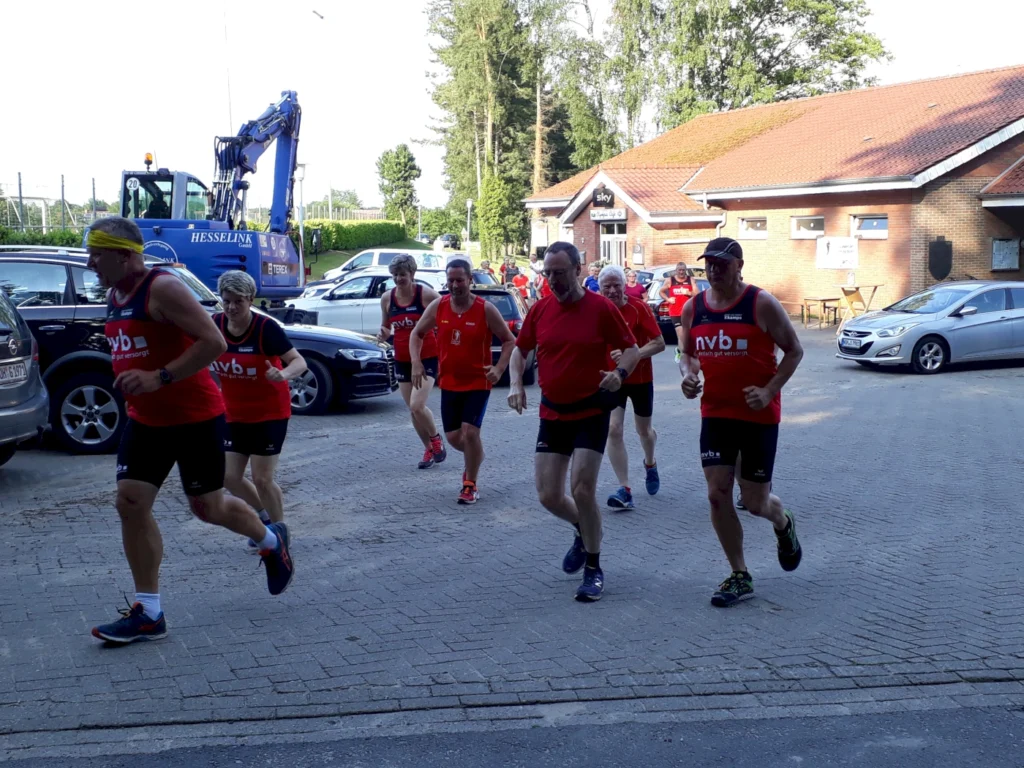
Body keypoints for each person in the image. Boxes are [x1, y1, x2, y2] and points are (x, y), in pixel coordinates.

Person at [86, 217, 293, 644]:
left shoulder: (162, 288)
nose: (90, 263)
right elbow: (135, 345)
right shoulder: (114, 293)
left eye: (97, 254)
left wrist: (158, 377)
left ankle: (271, 540)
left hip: (194, 416)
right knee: (130, 501)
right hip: (146, 420)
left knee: (209, 507)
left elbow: (212, 343)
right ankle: (149, 611)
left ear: (125, 255)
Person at [508, 242, 640, 602]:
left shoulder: (601, 308)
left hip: (591, 410)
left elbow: (631, 349)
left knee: (582, 490)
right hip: (552, 411)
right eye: (548, 273)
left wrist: (620, 373)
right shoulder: (540, 310)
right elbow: (520, 351)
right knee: (549, 496)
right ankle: (584, 529)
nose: (553, 280)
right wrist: (517, 383)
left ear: (578, 270)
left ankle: (594, 568)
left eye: (560, 273)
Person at [679, 237, 804, 608]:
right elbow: (686, 354)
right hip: (715, 412)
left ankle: (782, 522)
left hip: (757, 416)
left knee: (754, 503)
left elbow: (795, 350)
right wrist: (688, 376)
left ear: (739, 265)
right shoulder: (693, 308)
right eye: (708, 264)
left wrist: (769, 391)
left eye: (721, 263)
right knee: (717, 494)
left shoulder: (760, 303)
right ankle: (739, 574)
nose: (713, 270)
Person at [213, 271, 307, 549]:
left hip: (270, 414)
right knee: (229, 477)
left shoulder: (266, 328)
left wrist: (284, 374)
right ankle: (264, 518)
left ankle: (280, 533)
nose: (231, 308)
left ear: (251, 299)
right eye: (226, 300)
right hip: (234, 413)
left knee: (262, 478)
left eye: (238, 302)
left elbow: (299, 362)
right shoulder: (215, 325)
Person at [411, 258, 516, 504]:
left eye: (460, 280)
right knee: (455, 438)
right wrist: (416, 362)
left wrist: (499, 369)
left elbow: (509, 340)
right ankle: (475, 455)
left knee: (470, 433)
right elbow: (417, 333)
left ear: (470, 281)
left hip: (479, 382)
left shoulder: (485, 309)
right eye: (451, 280)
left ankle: (470, 484)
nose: (455, 285)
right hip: (449, 382)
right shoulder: (439, 306)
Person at [598, 265, 666, 510]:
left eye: (617, 285)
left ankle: (650, 463)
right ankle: (625, 488)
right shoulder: (596, 309)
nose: (613, 290)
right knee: (614, 429)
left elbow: (659, 343)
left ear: (625, 286)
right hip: (611, 379)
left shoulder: (639, 308)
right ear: (600, 288)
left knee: (644, 431)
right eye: (607, 286)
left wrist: (633, 354)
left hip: (639, 380)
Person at [377, 254, 447, 469]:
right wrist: (383, 333)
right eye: (395, 275)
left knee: (418, 405)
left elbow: (446, 315)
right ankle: (428, 448)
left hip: (426, 356)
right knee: (412, 409)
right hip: (401, 357)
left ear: (413, 274)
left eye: (403, 275)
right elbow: (386, 326)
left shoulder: (425, 295)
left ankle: (436, 439)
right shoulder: (387, 298)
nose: (398, 279)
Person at [659, 262, 692, 362]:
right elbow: (661, 291)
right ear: (676, 270)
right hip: (675, 312)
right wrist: (668, 299)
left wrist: (689, 293)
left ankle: (679, 350)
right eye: (679, 270)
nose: (681, 272)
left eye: (683, 270)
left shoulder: (691, 280)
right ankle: (684, 357)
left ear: (685, 270)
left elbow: (697, 293)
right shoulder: (670, 280)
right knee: (681, 334)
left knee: (687, 334)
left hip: (688, 312)